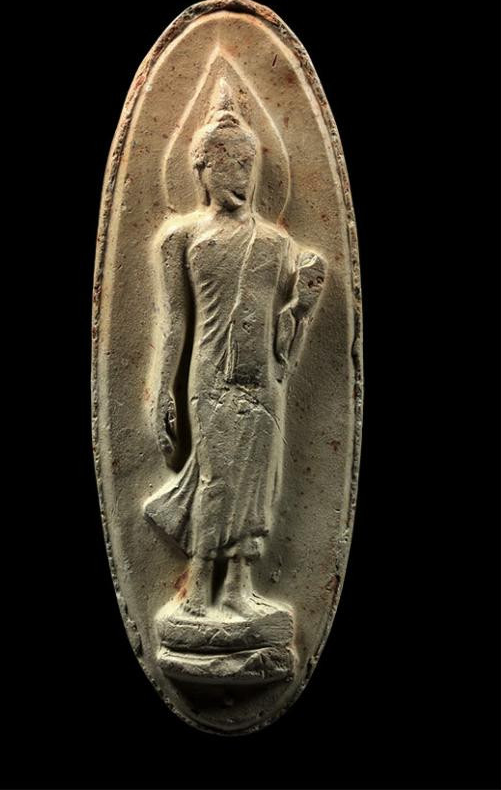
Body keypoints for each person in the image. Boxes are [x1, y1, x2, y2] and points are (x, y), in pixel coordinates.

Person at [144, 79, 326, 619]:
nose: (239, 176)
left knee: (259, 481)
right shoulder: (181, 239)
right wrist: (162, 393)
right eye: (226, 164)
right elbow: (174, 324)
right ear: (200, 168)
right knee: (219, 478)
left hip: (262, 378)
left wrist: (302, 305)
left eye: (247, 164)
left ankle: (238, 589)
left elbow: (285, 340)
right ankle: (198, 591)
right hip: (210, 376)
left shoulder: (277, 243)